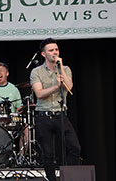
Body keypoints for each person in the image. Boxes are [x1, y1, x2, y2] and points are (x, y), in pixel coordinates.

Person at [30, 38, 81, 181]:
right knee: (48, 154)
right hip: (43, 116)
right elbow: (39, 94)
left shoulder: (65, 69)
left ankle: (71, 177)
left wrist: (61, 65)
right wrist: (56, 86)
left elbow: (69, 87)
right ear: (43, 54)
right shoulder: (36, 72)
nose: (55, 52)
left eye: (56, 50)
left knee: (74, 148)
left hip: (61, 115)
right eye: (51, 50)